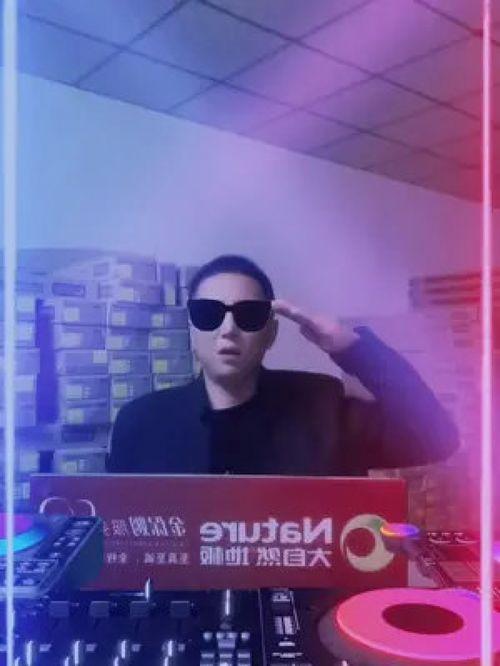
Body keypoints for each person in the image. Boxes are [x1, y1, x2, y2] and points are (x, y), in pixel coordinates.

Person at [107, 255, 459, 475]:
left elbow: (436, 437)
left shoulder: (324, 409)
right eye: (208, 313)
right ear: (192, 329)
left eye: (248, 315)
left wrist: (352, 348)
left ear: (270, 333)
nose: (228, 329)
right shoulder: (141, 423)